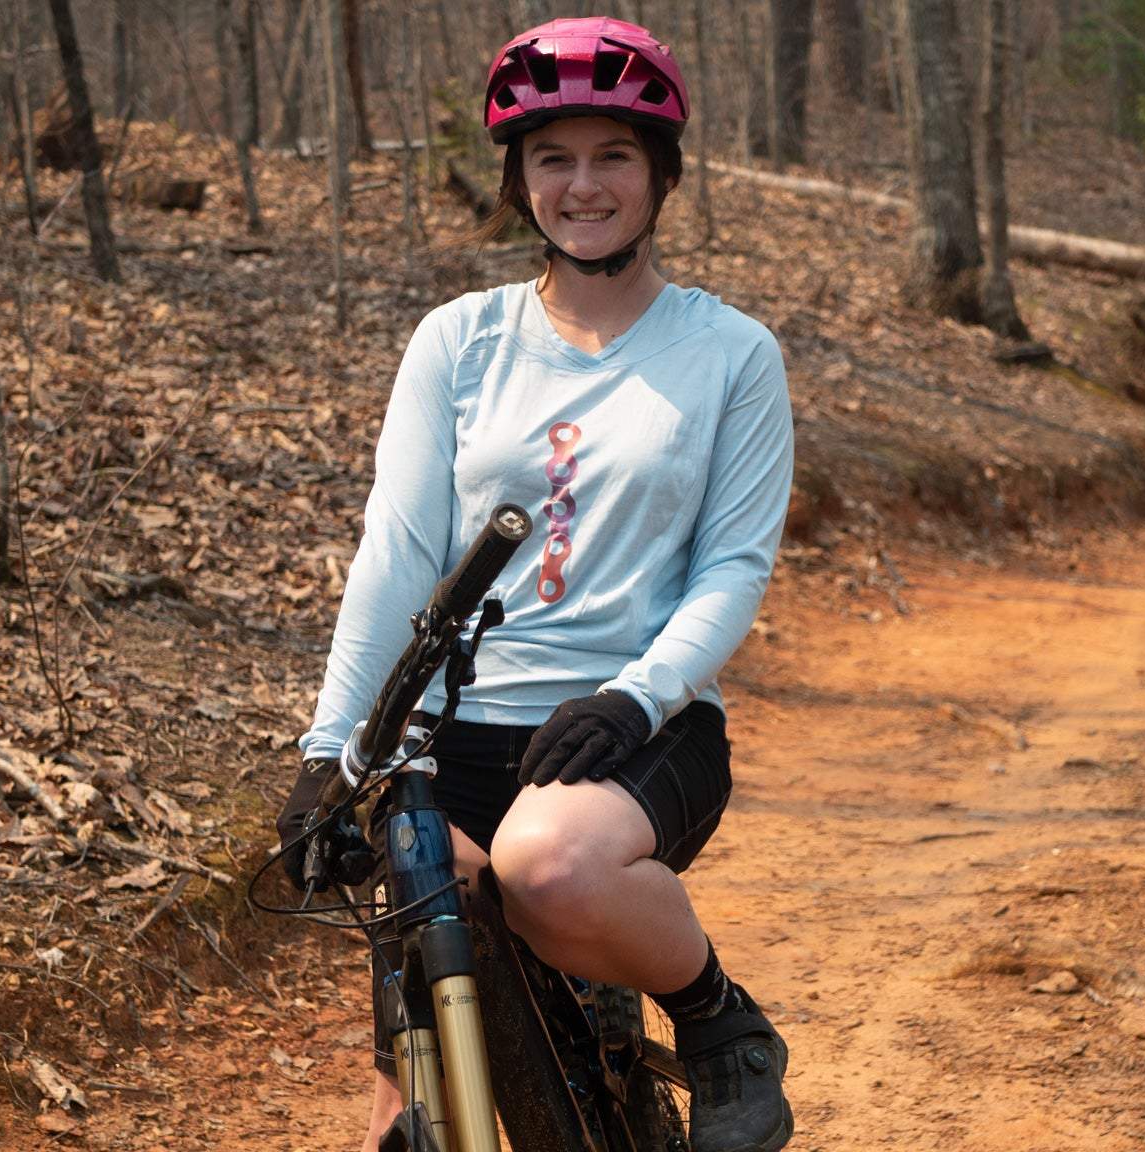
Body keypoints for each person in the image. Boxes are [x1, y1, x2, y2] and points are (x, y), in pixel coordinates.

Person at [273, 16, 795, 1152]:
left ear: (660, 174)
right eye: (553, 158)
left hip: (629, 733)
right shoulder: (457, 341)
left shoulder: (730, 353)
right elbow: (398, 549)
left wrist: (634, 699)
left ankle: (718, 1025)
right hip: (448, 728)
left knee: (543, 863)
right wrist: (330, 751)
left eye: (613, 154)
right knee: (405, 1103)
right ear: (517, 181)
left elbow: (732, 566)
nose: (583, 184)